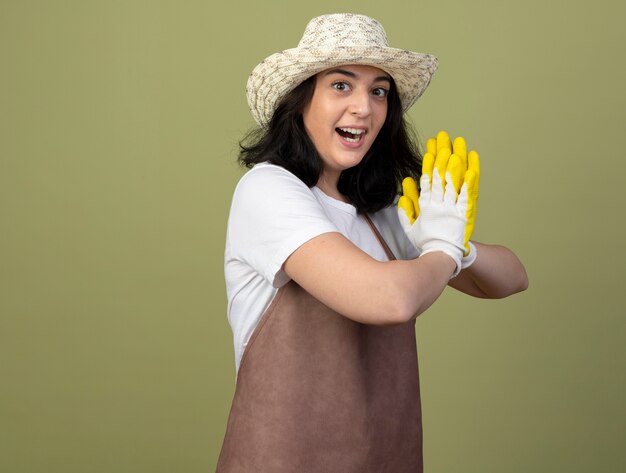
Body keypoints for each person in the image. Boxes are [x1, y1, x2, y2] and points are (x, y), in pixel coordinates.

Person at [216, 13, 528, 473]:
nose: (364, 107)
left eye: (378, 90)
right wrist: (441, 249)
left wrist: (458, 245)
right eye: (341, 85)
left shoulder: (381, 214)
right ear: (300, 100)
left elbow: (512, 278)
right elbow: (391, 298)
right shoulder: (268, 191)